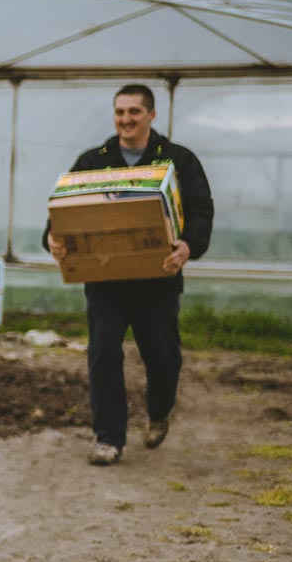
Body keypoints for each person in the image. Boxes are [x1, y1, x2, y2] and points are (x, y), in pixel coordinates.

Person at [43, 84, 214, 466]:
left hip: (158, 280)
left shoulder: (177, 160)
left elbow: (201, 212)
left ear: (152, 115)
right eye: (120, 112)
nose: (125, 120)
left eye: (134, 112)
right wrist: (53, 240)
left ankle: (159, 411)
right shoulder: (92, 161)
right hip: (106, 282)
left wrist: (187, 246)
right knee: (102, 353)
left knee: (163, 356)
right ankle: (109, 437)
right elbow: (63, 211)